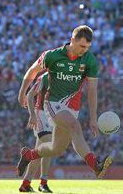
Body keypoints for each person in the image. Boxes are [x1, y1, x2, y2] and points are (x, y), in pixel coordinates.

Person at [16, 25, 113, 179]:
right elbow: (33, 71)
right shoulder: (52, 56)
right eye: (82, 46)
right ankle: (95, 165)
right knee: (75, 126)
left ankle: (28, 155)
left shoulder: (90, 61)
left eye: (87, 47)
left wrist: (93, 118)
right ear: (72, 40)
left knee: (56, 149)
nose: (84, 50)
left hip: (72, 108)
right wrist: (22, 93)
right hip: (53, 103)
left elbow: (92, 90)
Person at [19, 72, 54, 193]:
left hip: (52, 117)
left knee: (40, 151)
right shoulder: (44, 78)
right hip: (41, 113)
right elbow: (30, 95)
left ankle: (26, 183)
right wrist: (32, 115)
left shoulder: (65, 77)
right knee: (49, 145)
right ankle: (43, 182)